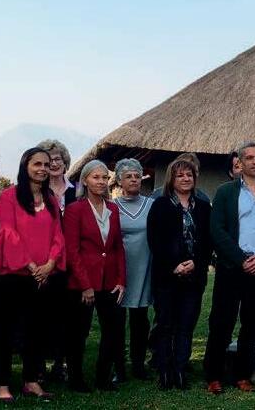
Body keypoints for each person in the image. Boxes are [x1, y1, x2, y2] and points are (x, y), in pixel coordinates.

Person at [204, 142, 255, 394]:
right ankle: (214, 376)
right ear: (239, 163)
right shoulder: (225, 192)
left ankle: (243, 375)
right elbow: (217, 230)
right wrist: (241, 259)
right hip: (231, 268)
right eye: (249, 158)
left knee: (251, 325)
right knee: (222, 323)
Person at [0, 147, 63, 402]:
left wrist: (50, 264)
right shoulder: (9, 197)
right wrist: (32, 266)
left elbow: (58, 235)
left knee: (36, 330)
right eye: (37, 164)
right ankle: (2, 384)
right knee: (4, 332)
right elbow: (8, 233)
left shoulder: (51, 199)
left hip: (42, 277)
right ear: (25, 166)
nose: (43, 169)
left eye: (46, 164)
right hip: (12, 275)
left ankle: (31, 381)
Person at [147, 158, 212, 390]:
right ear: (171, 179)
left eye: (189, 175)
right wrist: (174, 266)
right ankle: (165, 370)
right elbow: (154, 241)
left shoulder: (203, 208)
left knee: (185, 325)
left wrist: (196, 263)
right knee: (165, 324)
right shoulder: (160, 205)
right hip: (167, 276)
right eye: (180, 175)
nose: (185, 179)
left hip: (194, 277)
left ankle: (180, 369)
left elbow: (209, 242)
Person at [64, 160, 127, 392]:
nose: (101, 182)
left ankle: (103, 377)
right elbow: (72, 251)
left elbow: (118, 247)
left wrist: (121, 280)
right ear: (85, 180)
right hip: (83, 283)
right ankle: (76, 379)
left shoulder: (113, 209)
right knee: (78, 333)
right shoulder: (75, 210)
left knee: (112, 331)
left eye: (104, 178)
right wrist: (85, 286)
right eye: (96, 177)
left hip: (110, 281)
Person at [36, 138, 75, 382]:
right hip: (44, 263)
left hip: (72, 262)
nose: (53, 163)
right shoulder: (35, 192)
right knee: (41, 315)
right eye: (48, 160)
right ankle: (38, 365)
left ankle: (61, 363)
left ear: (65, 161)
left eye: (58, 159)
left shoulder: (77, 190)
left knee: (67, 315)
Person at [115, 158, 155, 380]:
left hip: (144, 268)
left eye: (137, 176)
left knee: (140, 319)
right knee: (117, 320)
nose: (133, 179)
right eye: (128, 176)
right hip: (120, 270)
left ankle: (138, 364)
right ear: (119, 180)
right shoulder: (112, 206)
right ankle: (118, 366)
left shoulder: (151, 205)